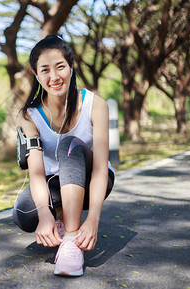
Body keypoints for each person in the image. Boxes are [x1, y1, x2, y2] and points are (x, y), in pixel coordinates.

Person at [12, 34, 115, 276]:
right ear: (37, 76)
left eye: (60, 67)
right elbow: (37, 174)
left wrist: (94, 220)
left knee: (68, 146)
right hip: (55, 184)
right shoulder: (29, 116)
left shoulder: (94, 104)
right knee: (24, 215)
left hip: (91, 181)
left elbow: (101, 168)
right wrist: (44, 214)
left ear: (71, 67)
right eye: (45, 70)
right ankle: (59, 215)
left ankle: (71, 241)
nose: (54, 77)